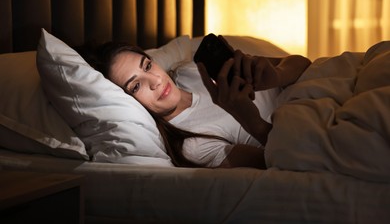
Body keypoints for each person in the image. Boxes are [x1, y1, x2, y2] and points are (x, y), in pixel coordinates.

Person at [86, 37, 311, 169]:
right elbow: (292, 161)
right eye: (136, 86)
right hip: (311, 130)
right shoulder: (191, 145)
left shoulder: (191, 69)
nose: (155, 81)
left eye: (147, 66)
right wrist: (250, 120)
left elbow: (302, 62)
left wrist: (277, 76)